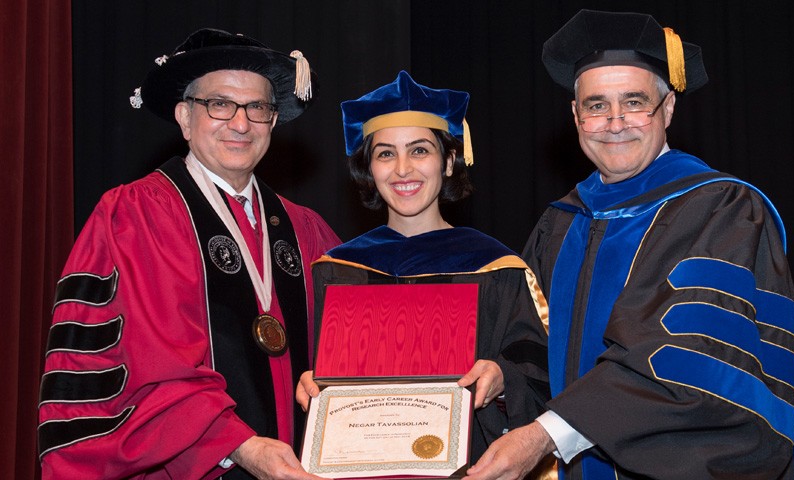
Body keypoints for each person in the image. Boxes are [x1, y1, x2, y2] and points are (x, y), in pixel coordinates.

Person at [463, 9, 794, 480]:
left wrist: (546, 435)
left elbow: (687, 354)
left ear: (667, 109)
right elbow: (535, 344)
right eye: (597, 105)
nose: (615, 121)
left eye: (635, 102)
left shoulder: (720, 208)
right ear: (576, 115)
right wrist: (505, 377)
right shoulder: (561, 223)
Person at [37, 29, 340, 479]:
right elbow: (146, 362)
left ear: (273, 121)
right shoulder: (136, 215)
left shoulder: (305, 229)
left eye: (257, 107)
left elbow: (355, 345)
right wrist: (239, 445)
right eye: (219, 104)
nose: (241, 123)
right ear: (184, 117)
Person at [295, 71, 551, 462]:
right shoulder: (336, 269)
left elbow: (538, 370)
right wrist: (310, 381)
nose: (402, 169)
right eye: (385, 153)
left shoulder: (497, 268)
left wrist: (503, 378)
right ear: (369, 168)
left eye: (419, 150)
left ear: (449, 161)